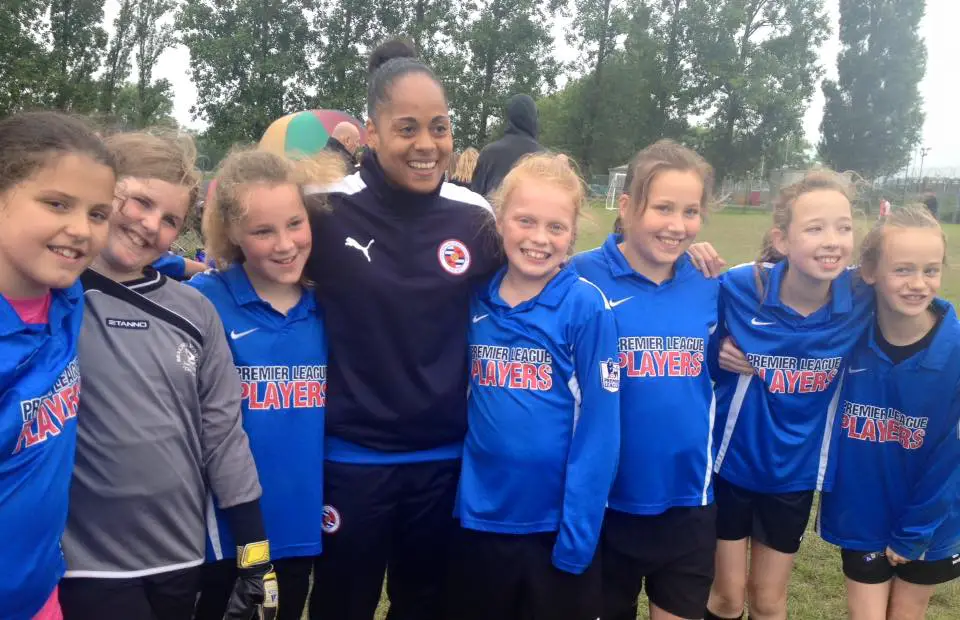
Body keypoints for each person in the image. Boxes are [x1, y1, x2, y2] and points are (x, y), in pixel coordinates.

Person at [303, 39, 501, 620]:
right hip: (351, 461)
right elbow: (244, 257)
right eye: (407, 128)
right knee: (343, 605)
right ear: (371, 132)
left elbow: (541, 277)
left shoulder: (474, 217)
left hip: (444, 461)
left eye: (439, 128)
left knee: (428, 606)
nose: (426, 145)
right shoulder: (323, 210)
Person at [58, 132, 277, 620]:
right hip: (83, 564)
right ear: (106, 190)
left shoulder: (195, 311)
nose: (149, 225)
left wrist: (255, 557)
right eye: (139, 202)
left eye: (171, 220)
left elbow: (223, 438)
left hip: (181, 557)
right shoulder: (54, 294)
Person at [687, 170, 874, 620]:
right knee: (727, 597)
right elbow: (689, 333)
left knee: (768, 601)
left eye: (844, 227)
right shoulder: (740, 286)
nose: (832, 240)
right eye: (815, 228)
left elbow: (915, 288)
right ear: (783, 240)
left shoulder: (863, 296)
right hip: (730, 467)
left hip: (794, 477)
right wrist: (690, 255)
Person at [450, 153, 620, 620]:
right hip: (480, 519)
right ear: (500, 221)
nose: (540, 238)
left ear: (572, 235)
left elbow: (600, 431)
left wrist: (579, 532)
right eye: (525, 220)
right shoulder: (473, 297)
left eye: (556, 227)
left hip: (554, 526)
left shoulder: (586, 308)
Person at [190, 148, 344, 620]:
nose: (284, 244)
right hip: (221, 536)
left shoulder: (332, 306)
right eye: (262, 231)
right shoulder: (204, 302)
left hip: (299, 527)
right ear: (232, 232)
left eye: (295, 224)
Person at [573, 140, 720, 620]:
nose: (678, 225)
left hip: (687, 502)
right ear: (627, 207)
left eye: (691, 211)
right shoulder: (579, 278)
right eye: (663, 208)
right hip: (606, 503)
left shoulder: (710, 282)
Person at [0, 112, 117, 620]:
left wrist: (203, 266)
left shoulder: (65, 297)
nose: (80, 230)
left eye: (98, 213)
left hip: (41, 592)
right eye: (56, 204)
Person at [818, 204, 960, 620]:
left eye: (930, 270)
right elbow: (802, 280)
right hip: (862, 513)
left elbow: (953, 461)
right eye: (902, 270)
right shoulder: (847, 331)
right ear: (870, 271)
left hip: (934, 520)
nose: (918, 284)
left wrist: (914, 533)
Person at [471, 94, 544, 196]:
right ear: (534, 118)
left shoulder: (490, 154)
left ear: (509, 117)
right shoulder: (545, 158)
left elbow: (476, 198)